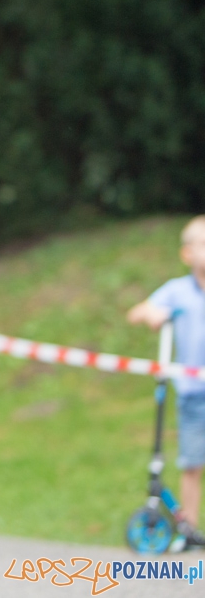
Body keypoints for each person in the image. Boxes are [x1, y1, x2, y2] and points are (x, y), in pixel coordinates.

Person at [127, 215, 205, 549]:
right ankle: (189, 530)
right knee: (192, 463)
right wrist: (152, 313)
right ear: (187, 254)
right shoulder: (178, 291)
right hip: (192, 394)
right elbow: (138, 311)